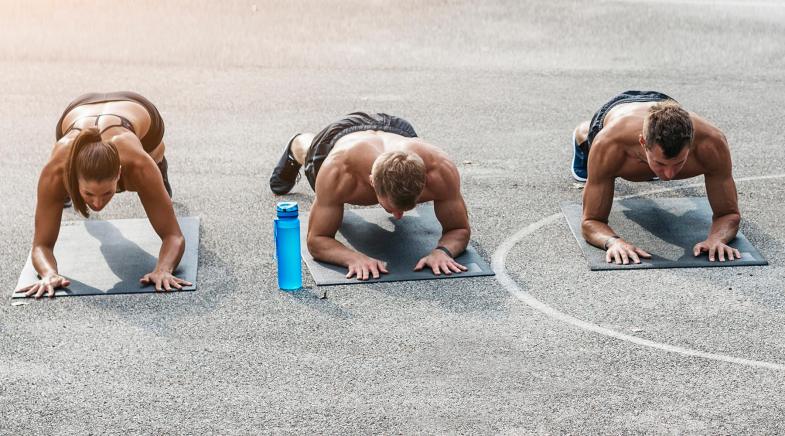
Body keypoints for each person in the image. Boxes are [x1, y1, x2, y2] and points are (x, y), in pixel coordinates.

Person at [17, 92, 190, 298]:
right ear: (72, 175)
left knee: (154, 159)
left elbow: (173, 236)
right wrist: (48, 274)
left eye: (107, 193)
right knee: (55, 191)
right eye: (88, 194)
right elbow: (41, 245)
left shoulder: (138, 165)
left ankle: (159, 164)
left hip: (136, 109)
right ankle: (65, 193)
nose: (97, 204)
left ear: (119, 173)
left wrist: (163, 269)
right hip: (78, 111)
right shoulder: (56, 170)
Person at [269, 112, 471, 280]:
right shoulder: (338, 171)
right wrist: (353, 258)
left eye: (407, 208)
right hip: (340, 138)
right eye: (392, 208)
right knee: (309, 150)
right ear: (372, 182)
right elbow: (317, 240)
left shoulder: (440, 169)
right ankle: (298, 143)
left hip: (397, 130)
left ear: (425, 179)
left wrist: (443, 251)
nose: (399, 216)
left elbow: (460, 228)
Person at [571, 90, 741, 265]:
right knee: (590, 142)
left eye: (678, 163)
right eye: (660, 164)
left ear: (691, 143)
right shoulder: (609, 144)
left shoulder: (712, 143)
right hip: (617, 113)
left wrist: (717, 238)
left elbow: (729, 214)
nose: (668, 175)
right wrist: (613, 242)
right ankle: (580, 133)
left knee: (649, 169)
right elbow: (591, 221)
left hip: (666, 105)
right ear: (643, 143)